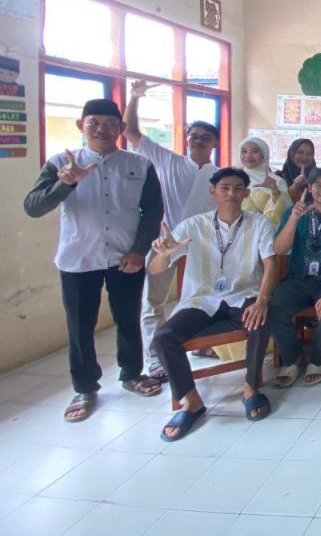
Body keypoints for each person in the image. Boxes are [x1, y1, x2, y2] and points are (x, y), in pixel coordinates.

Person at [24, 98, 164, 422]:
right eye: (94, 123)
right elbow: (33, 206)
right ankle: (85, 387)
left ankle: (132, 373)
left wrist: (139, 250)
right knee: (80, 325)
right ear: (81, 125)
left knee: (128, 318)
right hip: (78, 258)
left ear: (121, 128)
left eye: (111, 124)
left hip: (125, 257)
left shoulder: (139, 164)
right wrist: (65, 183)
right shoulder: (60, 163)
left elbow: (152, 211)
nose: (103, 129)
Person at [148, 167, 276, 441]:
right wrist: (164, 254)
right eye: (225, 188)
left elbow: (270, 262)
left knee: (261, 319)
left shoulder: (259, 223)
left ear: (246, 193)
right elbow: (156, 269)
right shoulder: (192, 225)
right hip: (201, 298)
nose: (231, 193)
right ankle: (191, 400)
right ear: (213, 192)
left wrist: (262, 300)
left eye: (238, 188)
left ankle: (250, 388)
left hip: (242, 293)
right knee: (164, 337)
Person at [124, 80, 218, 381]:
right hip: (165, 242)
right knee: (154, 301)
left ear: (214, 143)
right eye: (194, 136)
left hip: (202, 244)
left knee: (202, 296)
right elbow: (131, 132)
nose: (198, 141)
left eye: (205, 138)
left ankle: (202, 343)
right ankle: (155, 357)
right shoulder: (167, 160)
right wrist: (134, 97)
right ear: (187, 139)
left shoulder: (218, 176)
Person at [268, 167, 321, 387]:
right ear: (309, 187)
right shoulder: (294, 211)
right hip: (297, 279)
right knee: (273, 309)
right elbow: (279, 249)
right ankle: (293, 359)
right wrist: (293, 220)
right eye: (318, 185)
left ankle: (317, 359)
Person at [238, 136, 290, 226]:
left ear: (264, 154)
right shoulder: (235, 179)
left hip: (266, 231)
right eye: (244, 151)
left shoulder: (277, 181)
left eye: (255, 151)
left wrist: (274, 191)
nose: (248, 156)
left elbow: (285, 213)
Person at [278, 138, 317, 204]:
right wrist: (295, 187)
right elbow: (278, 205)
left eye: (309, 154)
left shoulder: (318, 178)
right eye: (300, 152)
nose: (304, 157)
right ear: (291, 155)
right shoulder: (279, 178)